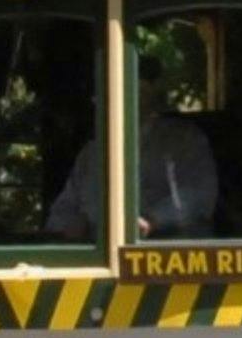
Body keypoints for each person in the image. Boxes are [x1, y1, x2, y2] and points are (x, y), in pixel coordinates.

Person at [46, 65, 221, 241]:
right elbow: (65, 208)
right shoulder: (92, 152)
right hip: (99, 252)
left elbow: (200, 194)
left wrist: (153, 220)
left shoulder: (183, 139)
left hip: (171, 251)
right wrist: (71, 223)